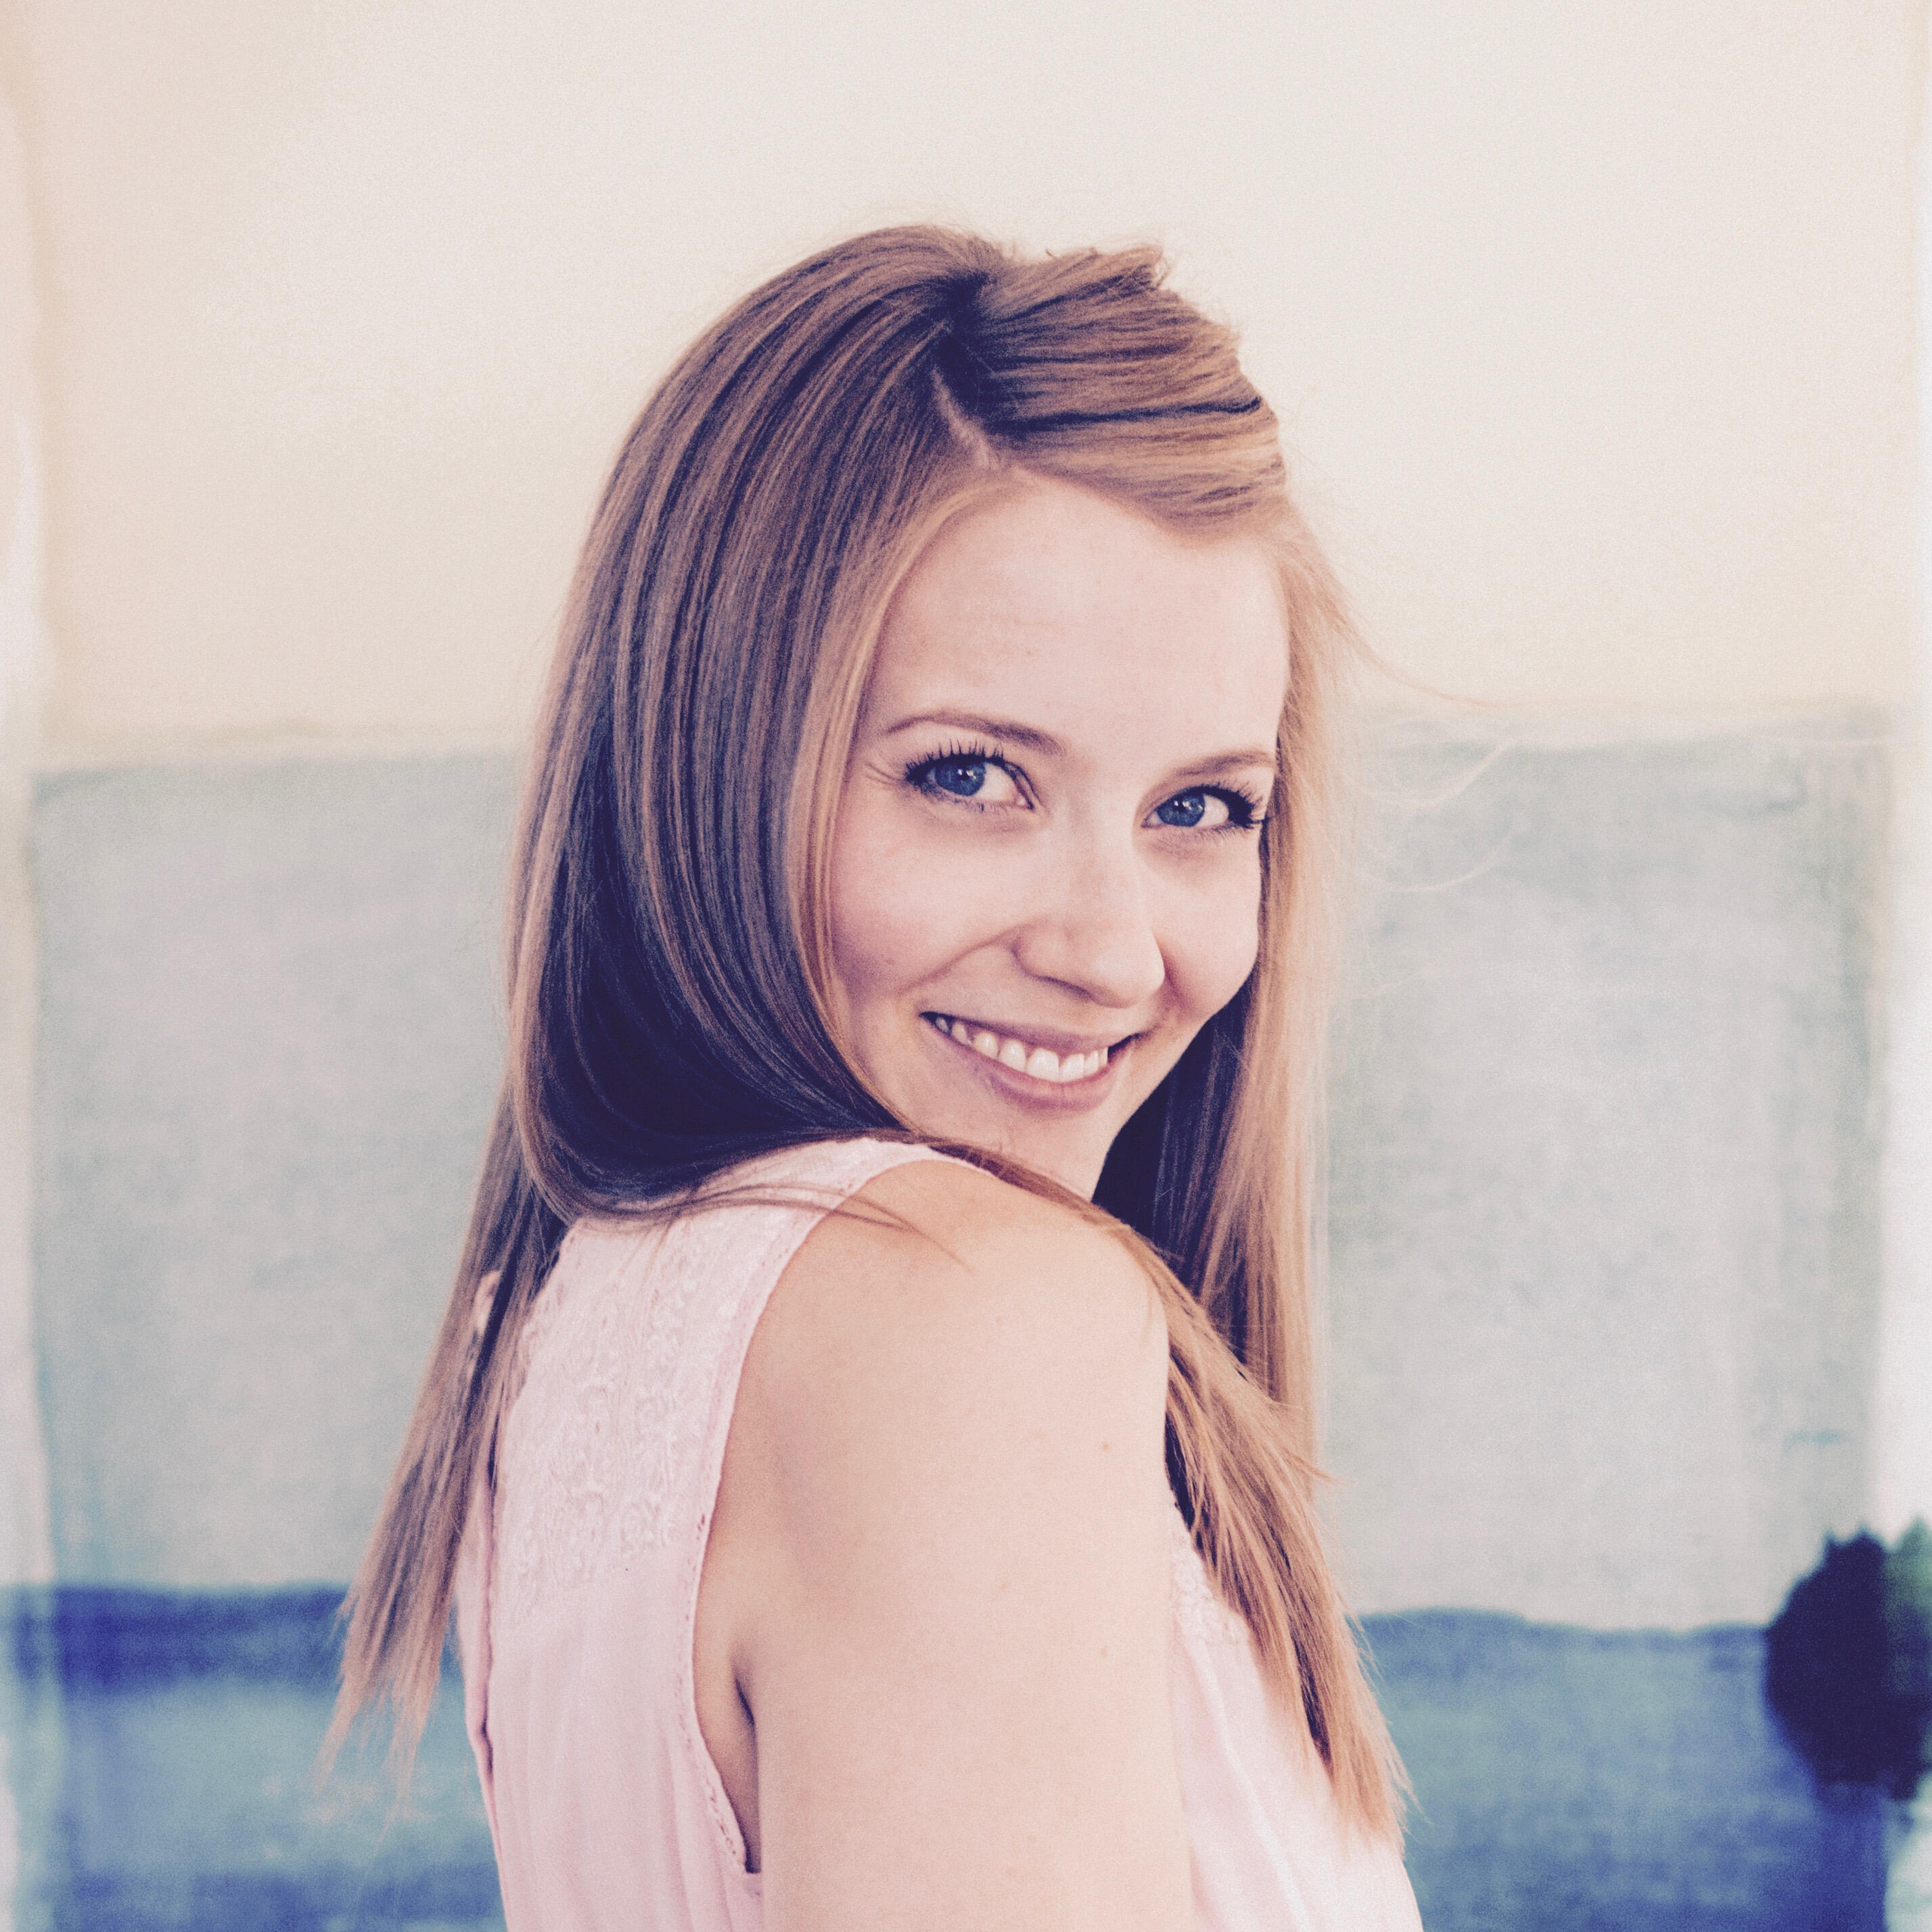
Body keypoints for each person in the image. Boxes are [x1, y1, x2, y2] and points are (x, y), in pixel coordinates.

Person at [331, 225, 1423, 1930]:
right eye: (972, 776)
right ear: (715, 760)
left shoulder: (567, 1322)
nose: (1113, 951)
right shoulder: (960, 1320)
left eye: (1202, 807)